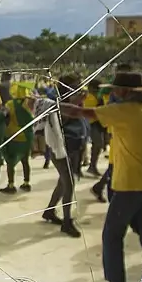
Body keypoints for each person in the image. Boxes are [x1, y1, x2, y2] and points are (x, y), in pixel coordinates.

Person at [63, 71, 142, 282]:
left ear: (124, 92)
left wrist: (47, 105)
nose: (112, 93)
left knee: (112, 237)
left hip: (128, 186)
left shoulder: (122, 111)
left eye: (115, 89)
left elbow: (78, 113)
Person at [42, 76, 84, 238]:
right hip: (60, 149)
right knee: (69, 183)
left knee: (63, 182)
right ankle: (67, 221)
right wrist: (74, 102)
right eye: (75, 87)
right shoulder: (57, 103)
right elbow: (61, 120)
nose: (79, 90)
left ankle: (49, 211)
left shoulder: (74, 101)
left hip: (73, 146)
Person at [0, 84, 33, 194]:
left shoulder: (10, 104)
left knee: (10, 161)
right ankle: (26, 183)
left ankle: (11, 185)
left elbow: (4, 116)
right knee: (25, 161)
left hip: (13, 136)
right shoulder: (29, 104)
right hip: (27, 136)